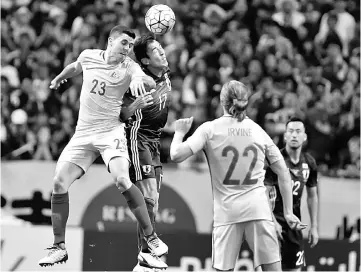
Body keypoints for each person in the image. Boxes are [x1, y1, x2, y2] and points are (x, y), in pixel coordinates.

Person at [38, 25, 168, 270]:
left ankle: (151, 238)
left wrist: (141, 80)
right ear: (110, 41)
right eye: (123, 43)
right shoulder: (89, 55)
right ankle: (59, 247)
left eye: (130, 45)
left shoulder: (129, 67)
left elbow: (144, 78)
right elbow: (76, 67)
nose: (127, 49)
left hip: (111, 133)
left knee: (121, 179)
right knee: (58, 183)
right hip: (83, 134)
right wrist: (59, 77)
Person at [169, 80, 307, 271]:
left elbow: (176, 155)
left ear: (222, 101)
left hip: (227, 211)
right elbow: (283, 170)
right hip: (258, 209)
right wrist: (288, 212)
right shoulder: (258, 131)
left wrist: (179, 132)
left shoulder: (210, 129)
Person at [119, 33, 171, 271]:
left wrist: (155, 35)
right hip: (136, 138)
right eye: (156, 51)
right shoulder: (137, 81)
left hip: (155, 142)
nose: (162, 52)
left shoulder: (165, 74)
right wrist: (134, 106)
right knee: (149, 193)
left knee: (154, 202)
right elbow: (119, 115)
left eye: (161, 48)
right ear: (145, 61)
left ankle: (143, 258)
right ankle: (147, 252)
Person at [265, 117, 319, 271]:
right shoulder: (275, 161)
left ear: (304, 136)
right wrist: (272, 222)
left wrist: (314, 226)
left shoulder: (309, 163)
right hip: (273, 225)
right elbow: (264, 194)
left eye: (298, 131)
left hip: (294, 227)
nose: (294, 135)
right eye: (291, 131)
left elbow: (312, 196)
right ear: (285, 136)